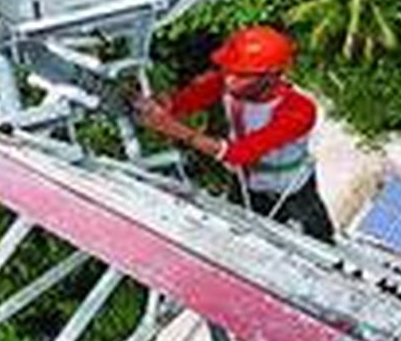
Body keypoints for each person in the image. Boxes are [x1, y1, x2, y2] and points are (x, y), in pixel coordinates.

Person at [134, 25, 335, 244]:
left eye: (241, 74)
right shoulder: (229, 83)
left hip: (292, 192)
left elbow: (241, 153)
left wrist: (173, 128)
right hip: (247, 186)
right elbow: (189, 98)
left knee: (318, 243)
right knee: (243, 239)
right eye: (229, 70)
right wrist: (162, 104)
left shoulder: (298, 110)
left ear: (270, 77)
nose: (230, 79)